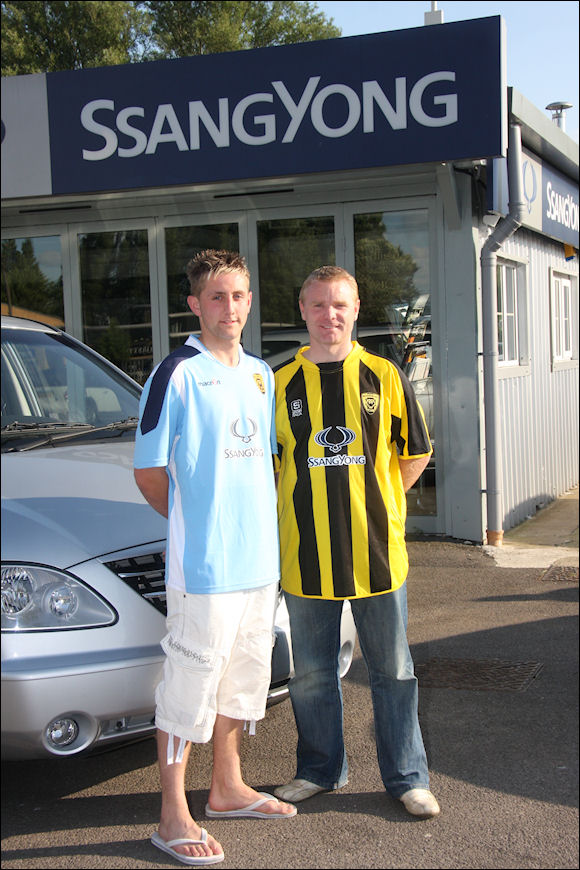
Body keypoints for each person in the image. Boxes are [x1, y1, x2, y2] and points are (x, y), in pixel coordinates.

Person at [134, 250, 296, 868]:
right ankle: (172, 813)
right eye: (218, 297)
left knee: (242, 677)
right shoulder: (175, 373)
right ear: (195, 305)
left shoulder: (261, 374)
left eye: (240, 296)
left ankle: (227, 789)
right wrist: (193, 525)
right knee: (189, 682)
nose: (231, 307)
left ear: (250, 302)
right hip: (204, 568)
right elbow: (149, 470)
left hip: (259, 565)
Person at [272, 265, 440, 819]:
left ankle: (408, 777)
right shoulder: (276, 383)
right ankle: (320, 771)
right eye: (318, 305)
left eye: (339, 305)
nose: (329, 316)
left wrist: (380, 500)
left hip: (378, 554)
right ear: (302, 311)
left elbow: (416, 452)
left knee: (393, 672)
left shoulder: (384, 375)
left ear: (356, 308)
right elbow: (269, 469)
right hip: (306, 557)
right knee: (312, 675)